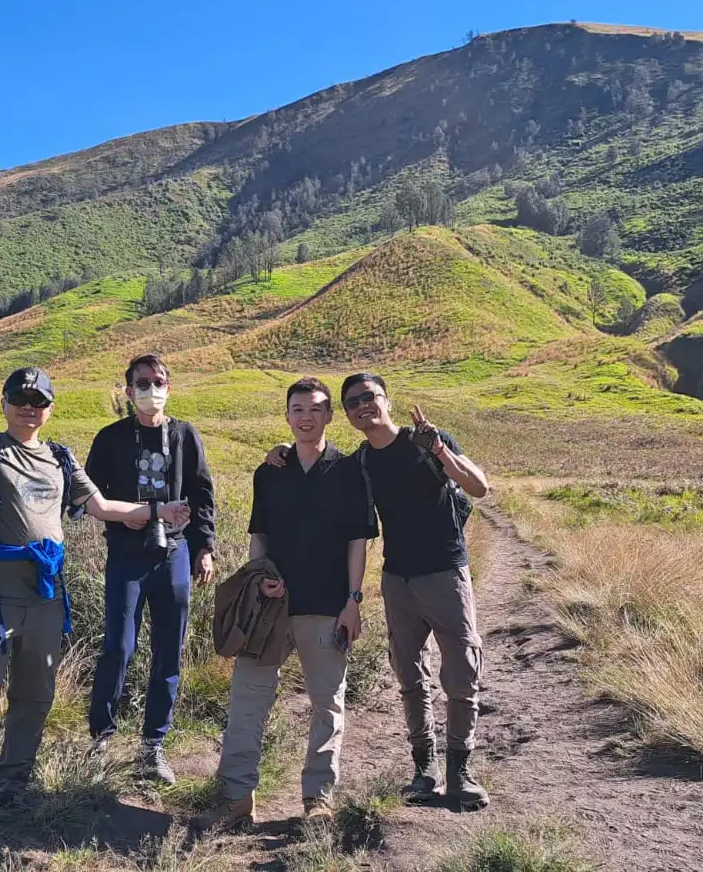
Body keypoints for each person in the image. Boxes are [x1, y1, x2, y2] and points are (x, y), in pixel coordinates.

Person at [0, 367, 192, 841]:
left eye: (39, 401)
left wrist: (156, 512)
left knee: (35, 695)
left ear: (50, 409)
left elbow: (103, 507)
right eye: (20, 399)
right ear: (4, 403)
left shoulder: (61, 458)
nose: (29, 408)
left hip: (46, 596)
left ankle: (13, 787)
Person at [267, 372, 491, 810]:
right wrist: (282, 452)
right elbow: (324, 475)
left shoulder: (427, 440)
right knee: (410, 676)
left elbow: (479, 487)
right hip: (397, 580)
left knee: (461, 673)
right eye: (352, 402)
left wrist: (440, 451)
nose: (362, 406)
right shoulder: (362, 462)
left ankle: (460, 771)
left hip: (445, 573)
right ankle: (424, 770)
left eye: (369, 397)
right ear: (346, 414)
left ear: (387, 400)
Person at [201, 378, 374, 831]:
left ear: (329, 415)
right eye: (298, 409)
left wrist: (353, 601)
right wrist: (259, 581)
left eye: (315, 409)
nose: (306, 417)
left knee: (327, 705)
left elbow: (358, 542)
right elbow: (260, 537)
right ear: (286, 416)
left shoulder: (349, 471)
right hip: (270, 611)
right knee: (247, 701)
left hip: (328, 606)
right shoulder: (269, 472)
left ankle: (319, 799)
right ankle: (236, 798)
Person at [85, 354, 217, 784]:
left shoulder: (185, 435)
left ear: (169, 388)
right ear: (128, 392)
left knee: (168, 651)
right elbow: (90, 496)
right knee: (118, 647)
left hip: (174, 552)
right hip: (127, 554)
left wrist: (204, 548)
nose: (150, 389)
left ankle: (152, 746)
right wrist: (125, 517)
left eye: (158, 382)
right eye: (142, 383)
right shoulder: (110, 439)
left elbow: (202, 493)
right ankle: (100, 740)